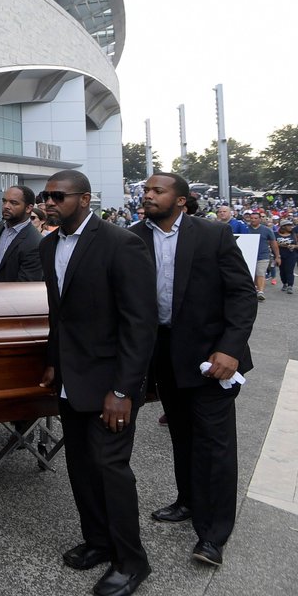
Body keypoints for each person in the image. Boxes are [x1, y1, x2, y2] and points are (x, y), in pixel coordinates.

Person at [37, 169, 157, 596]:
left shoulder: (121, 243)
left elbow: (140, 325)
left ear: (85, 199)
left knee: (110, 469)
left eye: (59, 196)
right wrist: (54, 362)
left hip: (111, 383)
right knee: (80, 465)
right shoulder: (48, 244)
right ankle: (99, 541)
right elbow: (59, 314)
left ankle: (131, 561)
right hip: (71, 379)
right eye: (46, 196)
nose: (49, 203)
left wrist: (123, 390)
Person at [133, 173, 257, 567]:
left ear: (181, 200)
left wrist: (230, 349)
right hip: (164, 355)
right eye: (146, 190)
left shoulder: (213, 234)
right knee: (182, 435)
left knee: (214, 445)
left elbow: (241, 294)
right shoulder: (132, 237)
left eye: (158, 191)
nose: (148, 195)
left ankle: (213, 535)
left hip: (212, 359)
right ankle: (187, 501)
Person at [0, 185, 42, 282]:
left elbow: (26, 284)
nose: (6, 206)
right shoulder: (0, 227)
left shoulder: (35, 242)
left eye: (13, 203)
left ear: (28, 208)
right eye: (4, 201)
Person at [244, 210, 280, 301]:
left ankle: (260, 291)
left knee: (260, 272)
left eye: (255, 218)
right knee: (250, 274)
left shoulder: (267, 230)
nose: (253, 220)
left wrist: (277, 256)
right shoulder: (245, 228)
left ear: (260, 219)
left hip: (263, 255)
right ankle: (253, 289)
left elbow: (273, 243)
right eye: (251, 218)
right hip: (248, 255)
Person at [277, 220, 296, 294]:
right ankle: (284, 283)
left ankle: (290, 285)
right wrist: (281, 245)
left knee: (289, 270)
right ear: (283, 227)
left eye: (291, 225)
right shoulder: (276, 234)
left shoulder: (294, 235)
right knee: (282, 270)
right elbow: (272, 243)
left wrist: (294, 246)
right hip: (280, 255)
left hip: (291, 255)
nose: (291, 227)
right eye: (288, 225)